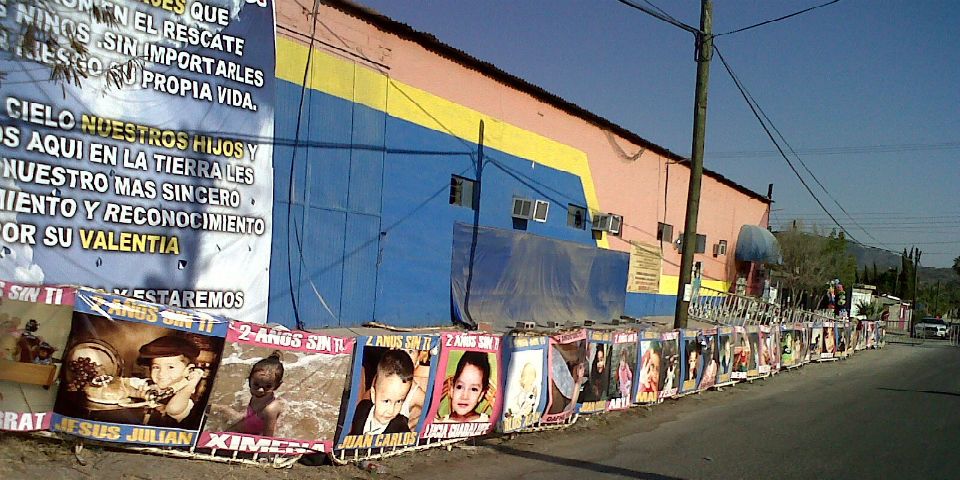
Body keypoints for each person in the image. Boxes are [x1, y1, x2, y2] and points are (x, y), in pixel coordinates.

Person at [133, 335, 205, 427]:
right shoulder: (150, 385)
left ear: (189, 370)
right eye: (156, 367)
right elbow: (124, 384)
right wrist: (135, 393)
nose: (161, 373)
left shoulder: (184, 394)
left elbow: (173, 409)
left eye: (170, 367)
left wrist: (191, 383)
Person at [213, 350, 286, 437]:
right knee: (222, 409)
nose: (260, 390)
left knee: (222, 432)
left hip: (253, 432)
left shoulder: (270, 410)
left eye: (268, 386)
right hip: (249, 422)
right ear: (249, 380)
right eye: (256, 384)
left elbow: (268, 438)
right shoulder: (260, 394)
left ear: (277, 386)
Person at [350, 349, 414, 435]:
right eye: (386, 401)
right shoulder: (362, 408)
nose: (391, 411)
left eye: (399, 401)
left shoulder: (401, 431)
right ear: (373, 394)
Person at [439, 351, 492, 423]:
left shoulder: (487, 422)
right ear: (452, 389)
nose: (464, 396)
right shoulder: (441, 423)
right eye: (459, 387)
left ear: (481, 395)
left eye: (474, 389)